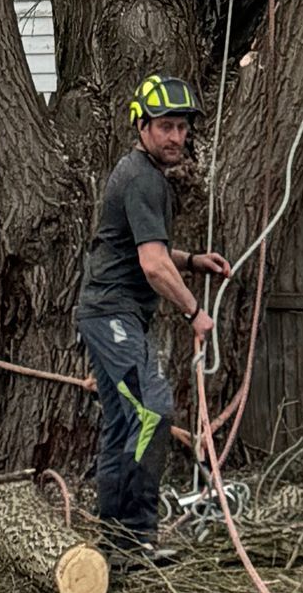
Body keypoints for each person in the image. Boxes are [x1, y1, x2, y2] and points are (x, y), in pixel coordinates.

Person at [75, 74, 233, 566]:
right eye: (165, 126)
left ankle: (116, 545)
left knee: (124, 424)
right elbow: (150, 266)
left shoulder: (141, 174)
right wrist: (195, 312)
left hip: (110, 316)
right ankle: (134, 537)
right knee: (153, 411)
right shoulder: (143, 178)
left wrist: (192, 261)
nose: (176, 137)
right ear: (142, 126)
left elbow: (148, 251)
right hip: (112, 316)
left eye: (182, 128)